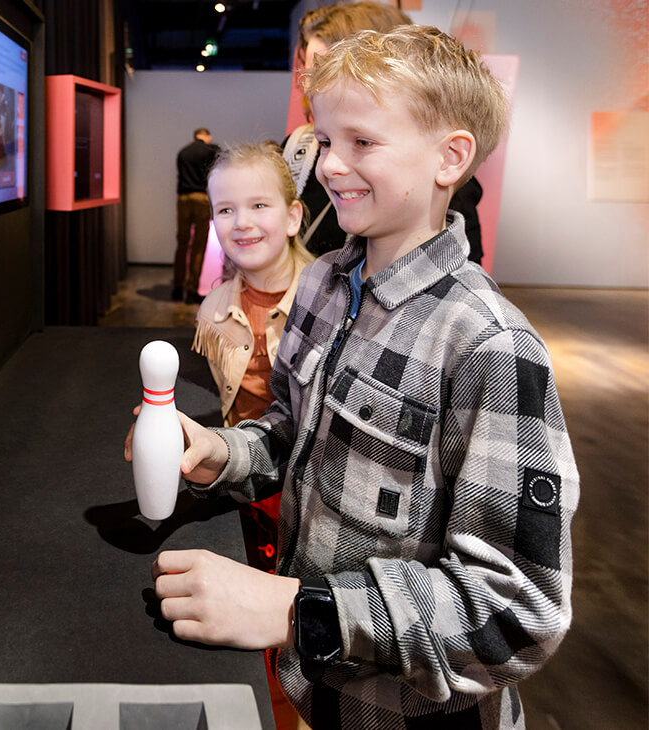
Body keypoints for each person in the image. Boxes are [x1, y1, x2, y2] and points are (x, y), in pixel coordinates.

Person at [127, 26, 578, 728]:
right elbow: (292, 435)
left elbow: (518, 611)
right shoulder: (323, 285)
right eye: (328, 141)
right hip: (317, 693)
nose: (333, 166)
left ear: (449, 158)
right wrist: (223, 453)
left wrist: (299, 609)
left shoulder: (491, 346)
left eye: (362, 143)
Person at [191, 141, 314, 730]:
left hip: (312, 493)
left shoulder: (335, 304)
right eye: (225, 210)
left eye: (259, 205)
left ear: (292, 217)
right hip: (248, 483)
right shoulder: (213, 310)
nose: (242, 223)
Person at [287, 2, 486, 263]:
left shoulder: (438, 181)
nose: (309, 85)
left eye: (364, 142)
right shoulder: (296, 150)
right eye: (310, 71)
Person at [174, 128, 220, 302]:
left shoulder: (183, 152)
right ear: (208, 137)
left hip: (183, 199)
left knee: (182, 243)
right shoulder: (211, 150)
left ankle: (178, 287)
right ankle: (192, 289)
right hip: (201, 198)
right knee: (199, 246)